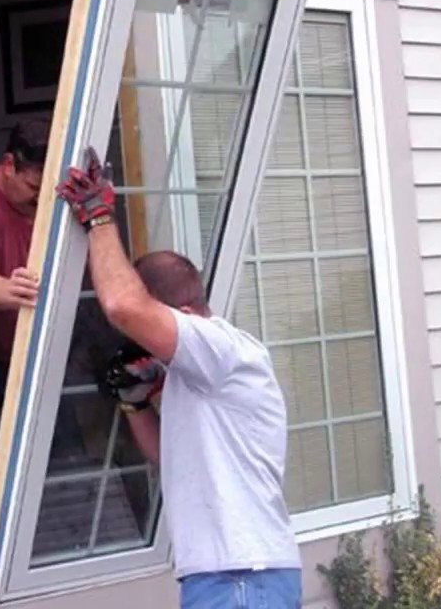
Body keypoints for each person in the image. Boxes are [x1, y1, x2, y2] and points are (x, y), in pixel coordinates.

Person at [56, 147, 302, 609]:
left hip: (242, 577)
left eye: (156, 327)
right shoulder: (195, 374)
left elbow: (124, 306)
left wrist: (98, 218)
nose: (145, 344)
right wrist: (134, 403)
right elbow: (172, 459)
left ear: (187, 315)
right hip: (226, 575)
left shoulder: (222, 348)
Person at [0, 118, 50, 459]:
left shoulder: (53, 195)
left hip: (51, 352)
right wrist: (17, 291)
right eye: (33, 187)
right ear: (8, 165)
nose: (42, 199)